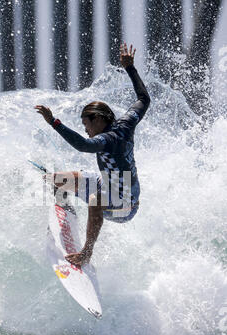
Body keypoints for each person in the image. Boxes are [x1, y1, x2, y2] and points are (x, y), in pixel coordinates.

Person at [35, 43, 150, 267]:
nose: (86, 129)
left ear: (98, 119)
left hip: (126, 203)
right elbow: (144, 99)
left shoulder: (107, 140)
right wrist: (130, 68)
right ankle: (68, 220)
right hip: (109, 184)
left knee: (94, 200)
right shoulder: (126, 123)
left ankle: (86, 253)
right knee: (56, 180)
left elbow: (83, 145)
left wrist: (54, 122)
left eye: (86, 124)